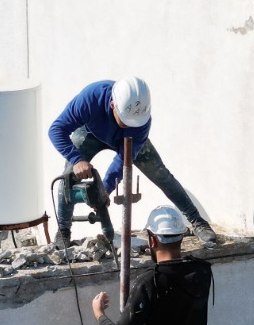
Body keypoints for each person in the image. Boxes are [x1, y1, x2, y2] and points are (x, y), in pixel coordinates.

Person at [47, 77, 217, 251]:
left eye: (134, 122)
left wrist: (104, 189)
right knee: (68, 177)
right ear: (113, 105)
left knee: (161, 174)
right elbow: (56, 129)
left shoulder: (141, 121)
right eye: (125, 120)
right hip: (90, 132)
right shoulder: (90, 99)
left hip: (128, 141)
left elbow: (123, 160)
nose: (130, 124)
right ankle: (63, 230)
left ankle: (198, 221)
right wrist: (77, 159)